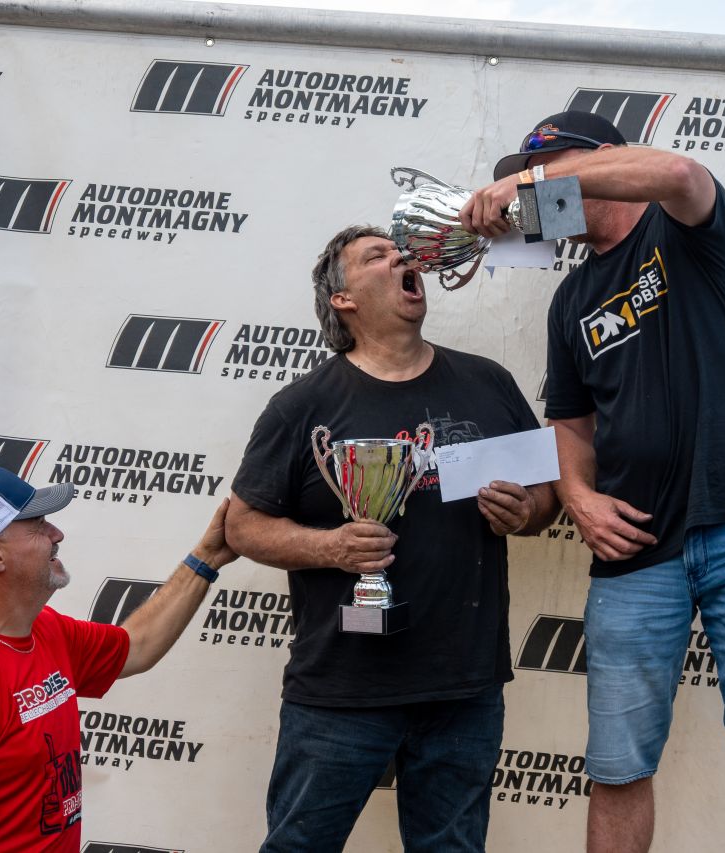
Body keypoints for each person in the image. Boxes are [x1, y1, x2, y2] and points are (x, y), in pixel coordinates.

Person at [460, 111, 725, 853]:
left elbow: (676, 173)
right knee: (617, 768)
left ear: (605, 161)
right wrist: (579, 497)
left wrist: (536, 179)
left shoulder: (683, 228)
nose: (533, 201)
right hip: (634, 551)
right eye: (526, 184)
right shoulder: (570, 299)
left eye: (548, 177)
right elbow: (570, 423)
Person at [225, 224, 558, 852]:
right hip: (341, 691)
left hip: (464, 687)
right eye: (377, 256)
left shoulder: (487, 383)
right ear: (343, 298)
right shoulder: (302, 406)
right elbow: (242, 526)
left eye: (402, 251)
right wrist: (332, 548)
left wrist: (526, 510)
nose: (402, 257)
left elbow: (546, 496)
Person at [0, 465, 237, 853]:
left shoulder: (45, 628)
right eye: (38, 526)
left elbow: (138, 646)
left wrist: (206, 557)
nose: (56, 534)